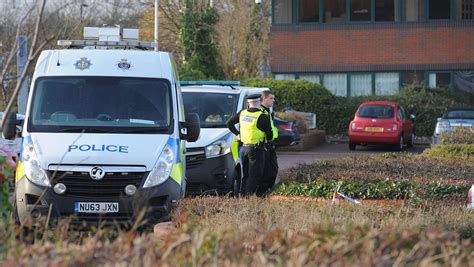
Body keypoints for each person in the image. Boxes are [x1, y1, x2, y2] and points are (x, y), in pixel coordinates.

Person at [226, 93, 272, 196]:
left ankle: (242, 196)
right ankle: (248, 198)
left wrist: (238, 134)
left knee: (245, 174)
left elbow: (229, 123)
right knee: (255, 175)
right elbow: (270, 135)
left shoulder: (242, 113)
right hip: (256, 150)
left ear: (248, 102)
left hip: (243, 149)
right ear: (260, 101)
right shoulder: (262, 116)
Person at [258, 90, 279, 196]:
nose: (273, 100)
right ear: (264, 99)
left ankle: (266, 191)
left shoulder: (269, 111)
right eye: (271, 98)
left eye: (273, 98)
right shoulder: (261, 112)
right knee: (266, 171)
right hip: (263, 145)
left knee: (273, 169)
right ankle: (262, 193)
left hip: (270, 145)